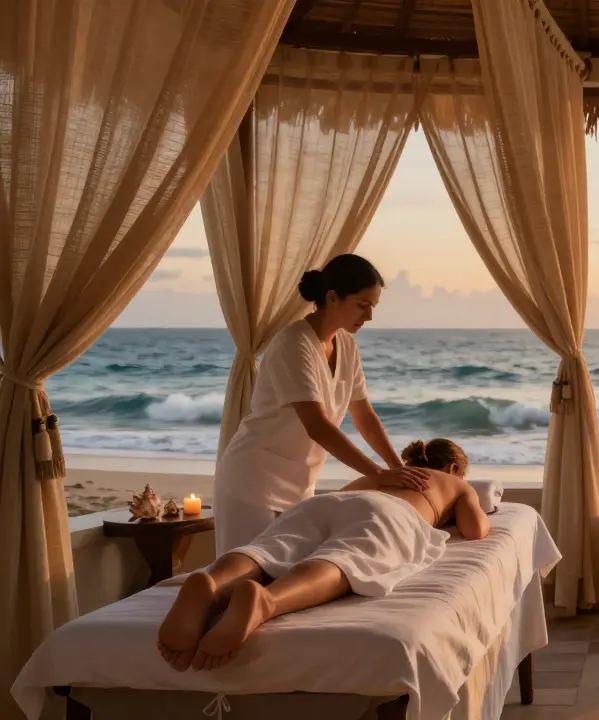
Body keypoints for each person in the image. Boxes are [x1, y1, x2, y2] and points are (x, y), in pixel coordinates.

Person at [158, 438, 488, 672]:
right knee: (342, 558)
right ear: (453, 467)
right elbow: (475, 529)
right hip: (389, 513)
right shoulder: (455, 483)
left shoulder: (379, 476)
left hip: (327, 503)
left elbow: (345, 505)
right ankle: (267, 602)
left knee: (268, 550)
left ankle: (212, 583)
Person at [214, 254, 430, 554]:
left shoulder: (347, 345)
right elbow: (317, 426)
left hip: (300, 486)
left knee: (288, 577)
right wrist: (377, 474)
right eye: (362, 305)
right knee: (242, 574)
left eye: (373, 306)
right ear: (331, 297)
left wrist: (397, 468)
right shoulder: (294, 343)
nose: (369, 316)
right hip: (253, 482)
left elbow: (364, 416)